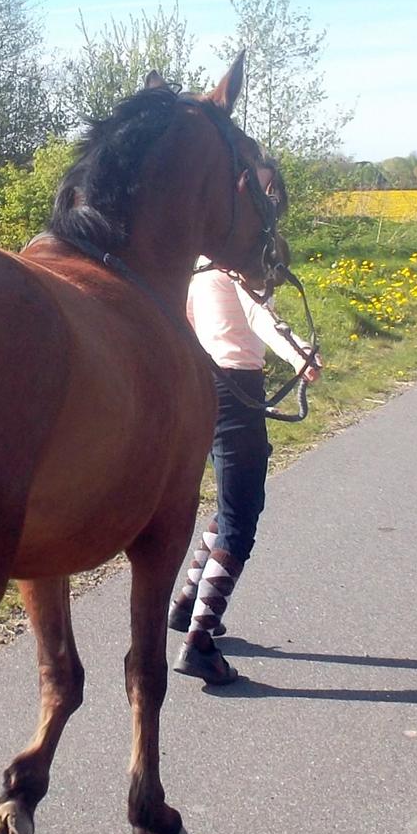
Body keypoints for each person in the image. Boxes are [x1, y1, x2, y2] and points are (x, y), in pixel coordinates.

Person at [170, 259, 321, 685]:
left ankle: (186, 605)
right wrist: (300, 355)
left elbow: (187, 321)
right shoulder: (235, 264)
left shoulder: (195, 265)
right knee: (242, 515)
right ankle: (199, 643)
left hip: (207, 384)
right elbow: (261, 314)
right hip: (237, 387)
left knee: (233, 501)